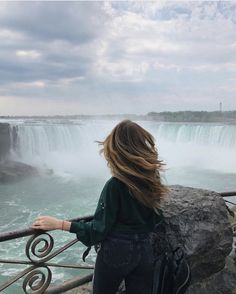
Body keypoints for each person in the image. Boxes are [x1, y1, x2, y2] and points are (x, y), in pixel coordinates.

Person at [31, 119, 169, 294]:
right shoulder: (151, 180)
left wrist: (59, 224)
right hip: (145, 250)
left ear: (116, 152)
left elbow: (98, 230)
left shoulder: (115, 185)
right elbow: (156, 217)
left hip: (117, 252)